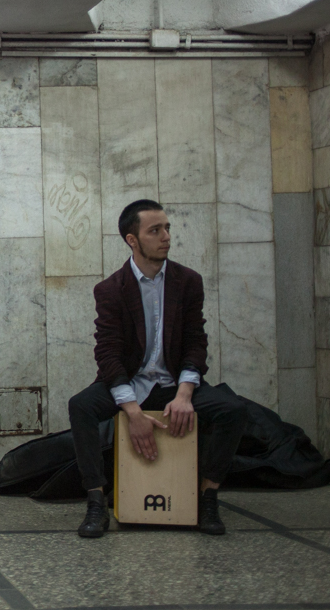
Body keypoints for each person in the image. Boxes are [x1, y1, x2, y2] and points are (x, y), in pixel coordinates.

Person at [68, 199, 248, 538]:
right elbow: (107, 352)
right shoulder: (110, 289)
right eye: (155, 230)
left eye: (167, 228)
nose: (166, 236)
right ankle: (95, 500)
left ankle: (208, 496)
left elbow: (196, 341)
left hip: (173, 382)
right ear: (132, 240)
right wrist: (132, 411)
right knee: (81, 407)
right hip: (130, 382)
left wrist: (185, 393)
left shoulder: (188, 281)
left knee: (233, 410)